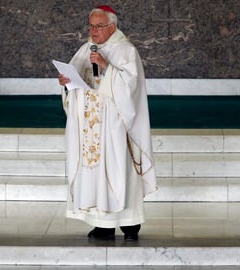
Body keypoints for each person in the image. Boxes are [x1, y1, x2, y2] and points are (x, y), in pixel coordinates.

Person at [58, 5, 157, 241]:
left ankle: (130, 224)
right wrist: (66, 82)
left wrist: (106, 67)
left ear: (112, 27)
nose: (93, 31)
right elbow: (77, 80)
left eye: (99, 26)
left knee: (121, 169)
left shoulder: (126, 51)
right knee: (94, 174)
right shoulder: (85, 49)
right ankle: (102, 224)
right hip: (92, 127)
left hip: (115, 126)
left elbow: (130, 87)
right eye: (91, 26)